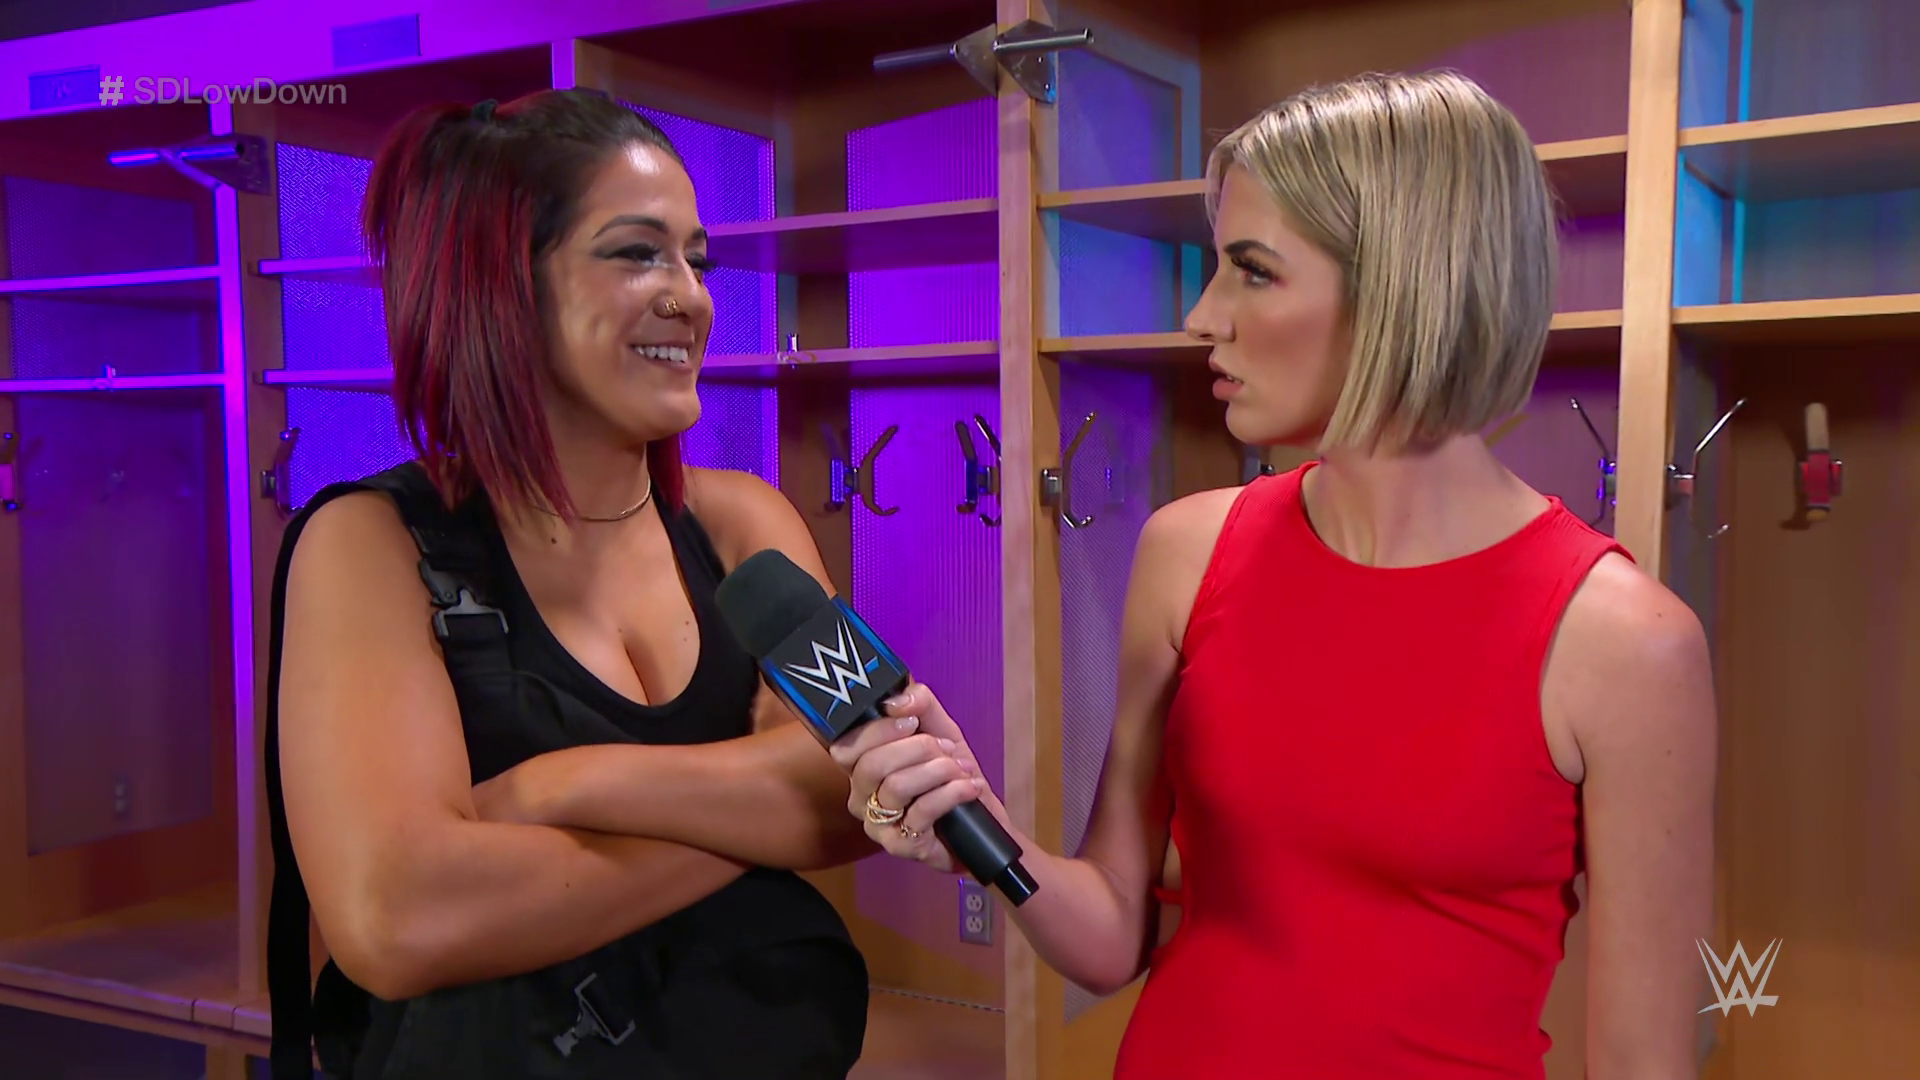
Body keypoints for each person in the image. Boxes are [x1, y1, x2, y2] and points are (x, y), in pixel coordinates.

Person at [830, 70, 1717, 1079]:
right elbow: (1114, 931)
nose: (1202, 315)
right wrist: (981, 833)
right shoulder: (1186, 554)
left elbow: (1644, 1061)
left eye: (1252, 271)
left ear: (1401, 286)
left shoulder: (1628, 645)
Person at [263, 89, 875, 1080]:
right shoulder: (368, 546)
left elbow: (873, 768)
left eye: (698, 259)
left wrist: (564, 786)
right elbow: (397, 918)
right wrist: (765, 817)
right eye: (638, 253)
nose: (691, 297)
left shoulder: (748, 526)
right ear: (502, 289)